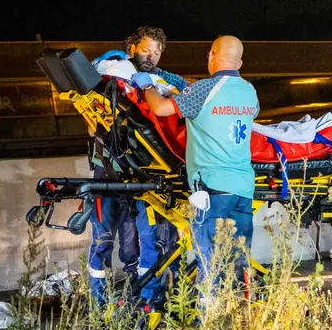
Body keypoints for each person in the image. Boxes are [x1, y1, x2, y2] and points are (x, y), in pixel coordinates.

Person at [142, 35, 259, 299]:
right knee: (238, 264)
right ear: (240, 61)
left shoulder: (203, 90)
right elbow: (221, 100)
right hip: (243, 190)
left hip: (212, 191)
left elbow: (160, 109)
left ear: (210, 55)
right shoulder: (250, 91)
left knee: (210, 265)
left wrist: (147, 85)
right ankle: (241, 322)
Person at [86, 26, 185, 307]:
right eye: (146, 49)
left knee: (142, 245)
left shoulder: (158, 80)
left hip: (144, 175)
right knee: (103, 240)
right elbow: (91, 121)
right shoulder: (111, 75)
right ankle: (100, 304)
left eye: (157, 51)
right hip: (108, 174)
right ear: (131, 49)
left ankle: (142, 299)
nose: (151, 56)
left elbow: (186, 91)